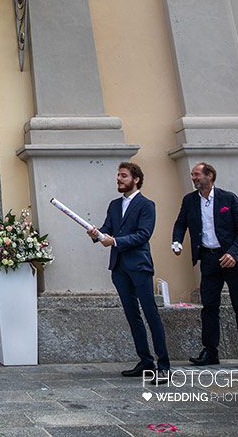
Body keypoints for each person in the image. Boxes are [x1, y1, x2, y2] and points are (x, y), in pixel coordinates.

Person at [171, 162, 238, 371]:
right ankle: (210, 351)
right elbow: (180, 223)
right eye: (192, 175)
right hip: (208, 259)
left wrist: (233, 253)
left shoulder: (229, 198)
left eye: (197, 174)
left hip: (233, 259)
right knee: (209, 307)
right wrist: (177, 241)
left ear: (210, 176)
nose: (193, 178)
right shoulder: (190, 200)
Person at [87, 162, 169, 379]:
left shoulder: (146, 205)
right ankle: (145, 362)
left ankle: (164, 365)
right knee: (132, 316)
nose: (119, 179)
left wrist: (114, 241)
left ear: (136, 179)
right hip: (119, 268)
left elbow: (143, 234)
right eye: (118, 176)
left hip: (139, 266)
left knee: (151, 314)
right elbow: (108, 230)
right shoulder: (114, 205)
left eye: (123, 176)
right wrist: (97, 234)